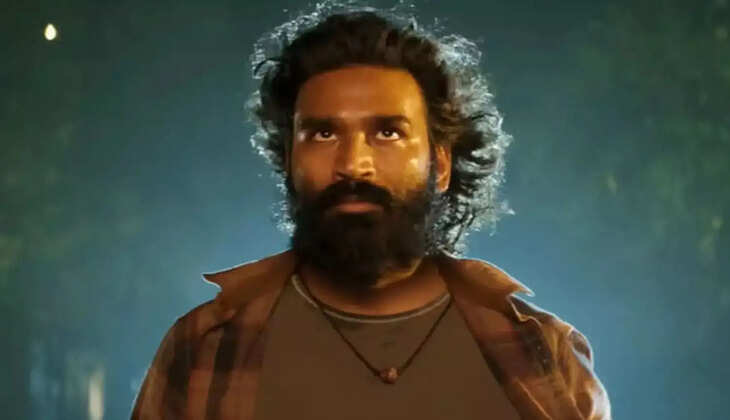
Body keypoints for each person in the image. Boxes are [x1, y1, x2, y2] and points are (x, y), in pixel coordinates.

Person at [131, 6, 611, 420]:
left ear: (441, 164)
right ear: (289, 160)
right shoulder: (205, 348)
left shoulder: (542, 355)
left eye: (387, 133)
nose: (353, 164)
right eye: (323, 134)